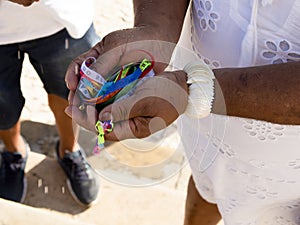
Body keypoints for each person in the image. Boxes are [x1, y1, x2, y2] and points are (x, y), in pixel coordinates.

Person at [65, 0, 300, 224]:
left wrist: (194, 90)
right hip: (202, 123)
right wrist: (155, 28)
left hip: (289, 165)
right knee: (208, 183)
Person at [0, 0, 101, 206]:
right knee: (3, 103)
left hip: (62, 19)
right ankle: (13, 152)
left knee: (70, 93)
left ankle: (69, 150)